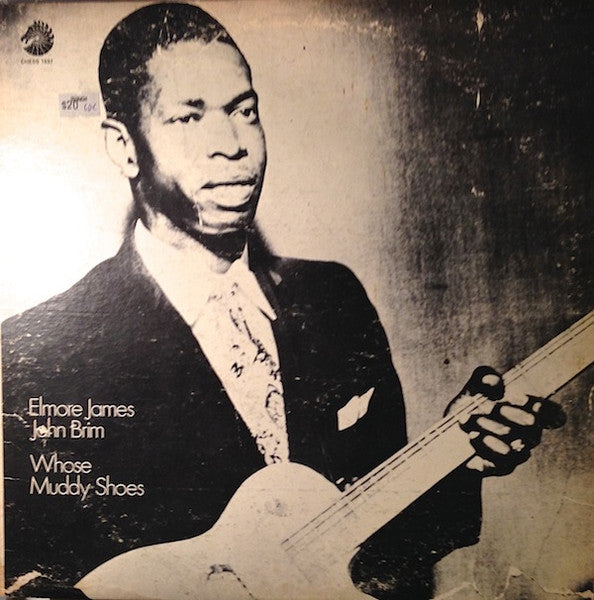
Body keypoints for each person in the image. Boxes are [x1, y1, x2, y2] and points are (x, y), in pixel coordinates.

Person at [1, 3, 560, 599]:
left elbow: (382, 552)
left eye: (244, 111)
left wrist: (455, 457)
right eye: (188, 118)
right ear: (124, 147)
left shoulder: (334, 299)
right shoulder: (40, 354)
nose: (232, 145)